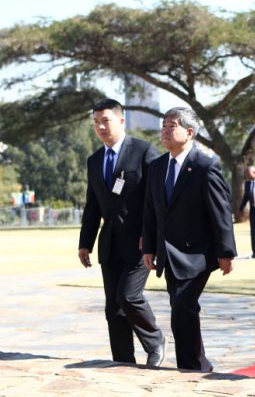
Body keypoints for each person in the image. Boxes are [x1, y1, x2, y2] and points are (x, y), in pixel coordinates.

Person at [141, 107, 237, 372]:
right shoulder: (157, 167)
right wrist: (148, 246)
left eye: (171, 126)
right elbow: (151, 210)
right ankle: (195, 364)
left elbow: (221, 211)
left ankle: (193, 365)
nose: (165, 131)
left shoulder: (206, 166)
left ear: (190, 132)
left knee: (183, 306)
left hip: (198, 253)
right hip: (168, 253)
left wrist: (226, 252)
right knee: (180, 308)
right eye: (163, 126)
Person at [78, 98, 165, 366]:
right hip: (110, 243)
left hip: (141, 242)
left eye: (106, 121)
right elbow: (92, 205)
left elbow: (157, 200)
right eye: (96, 123)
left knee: (128, 296)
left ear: (121, 121)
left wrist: (151, 236)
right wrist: (85, 243)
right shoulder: (95, 161)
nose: (101, 127)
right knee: (113, 308)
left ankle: (155, 341)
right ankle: (123, 361)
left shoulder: (143, 151)